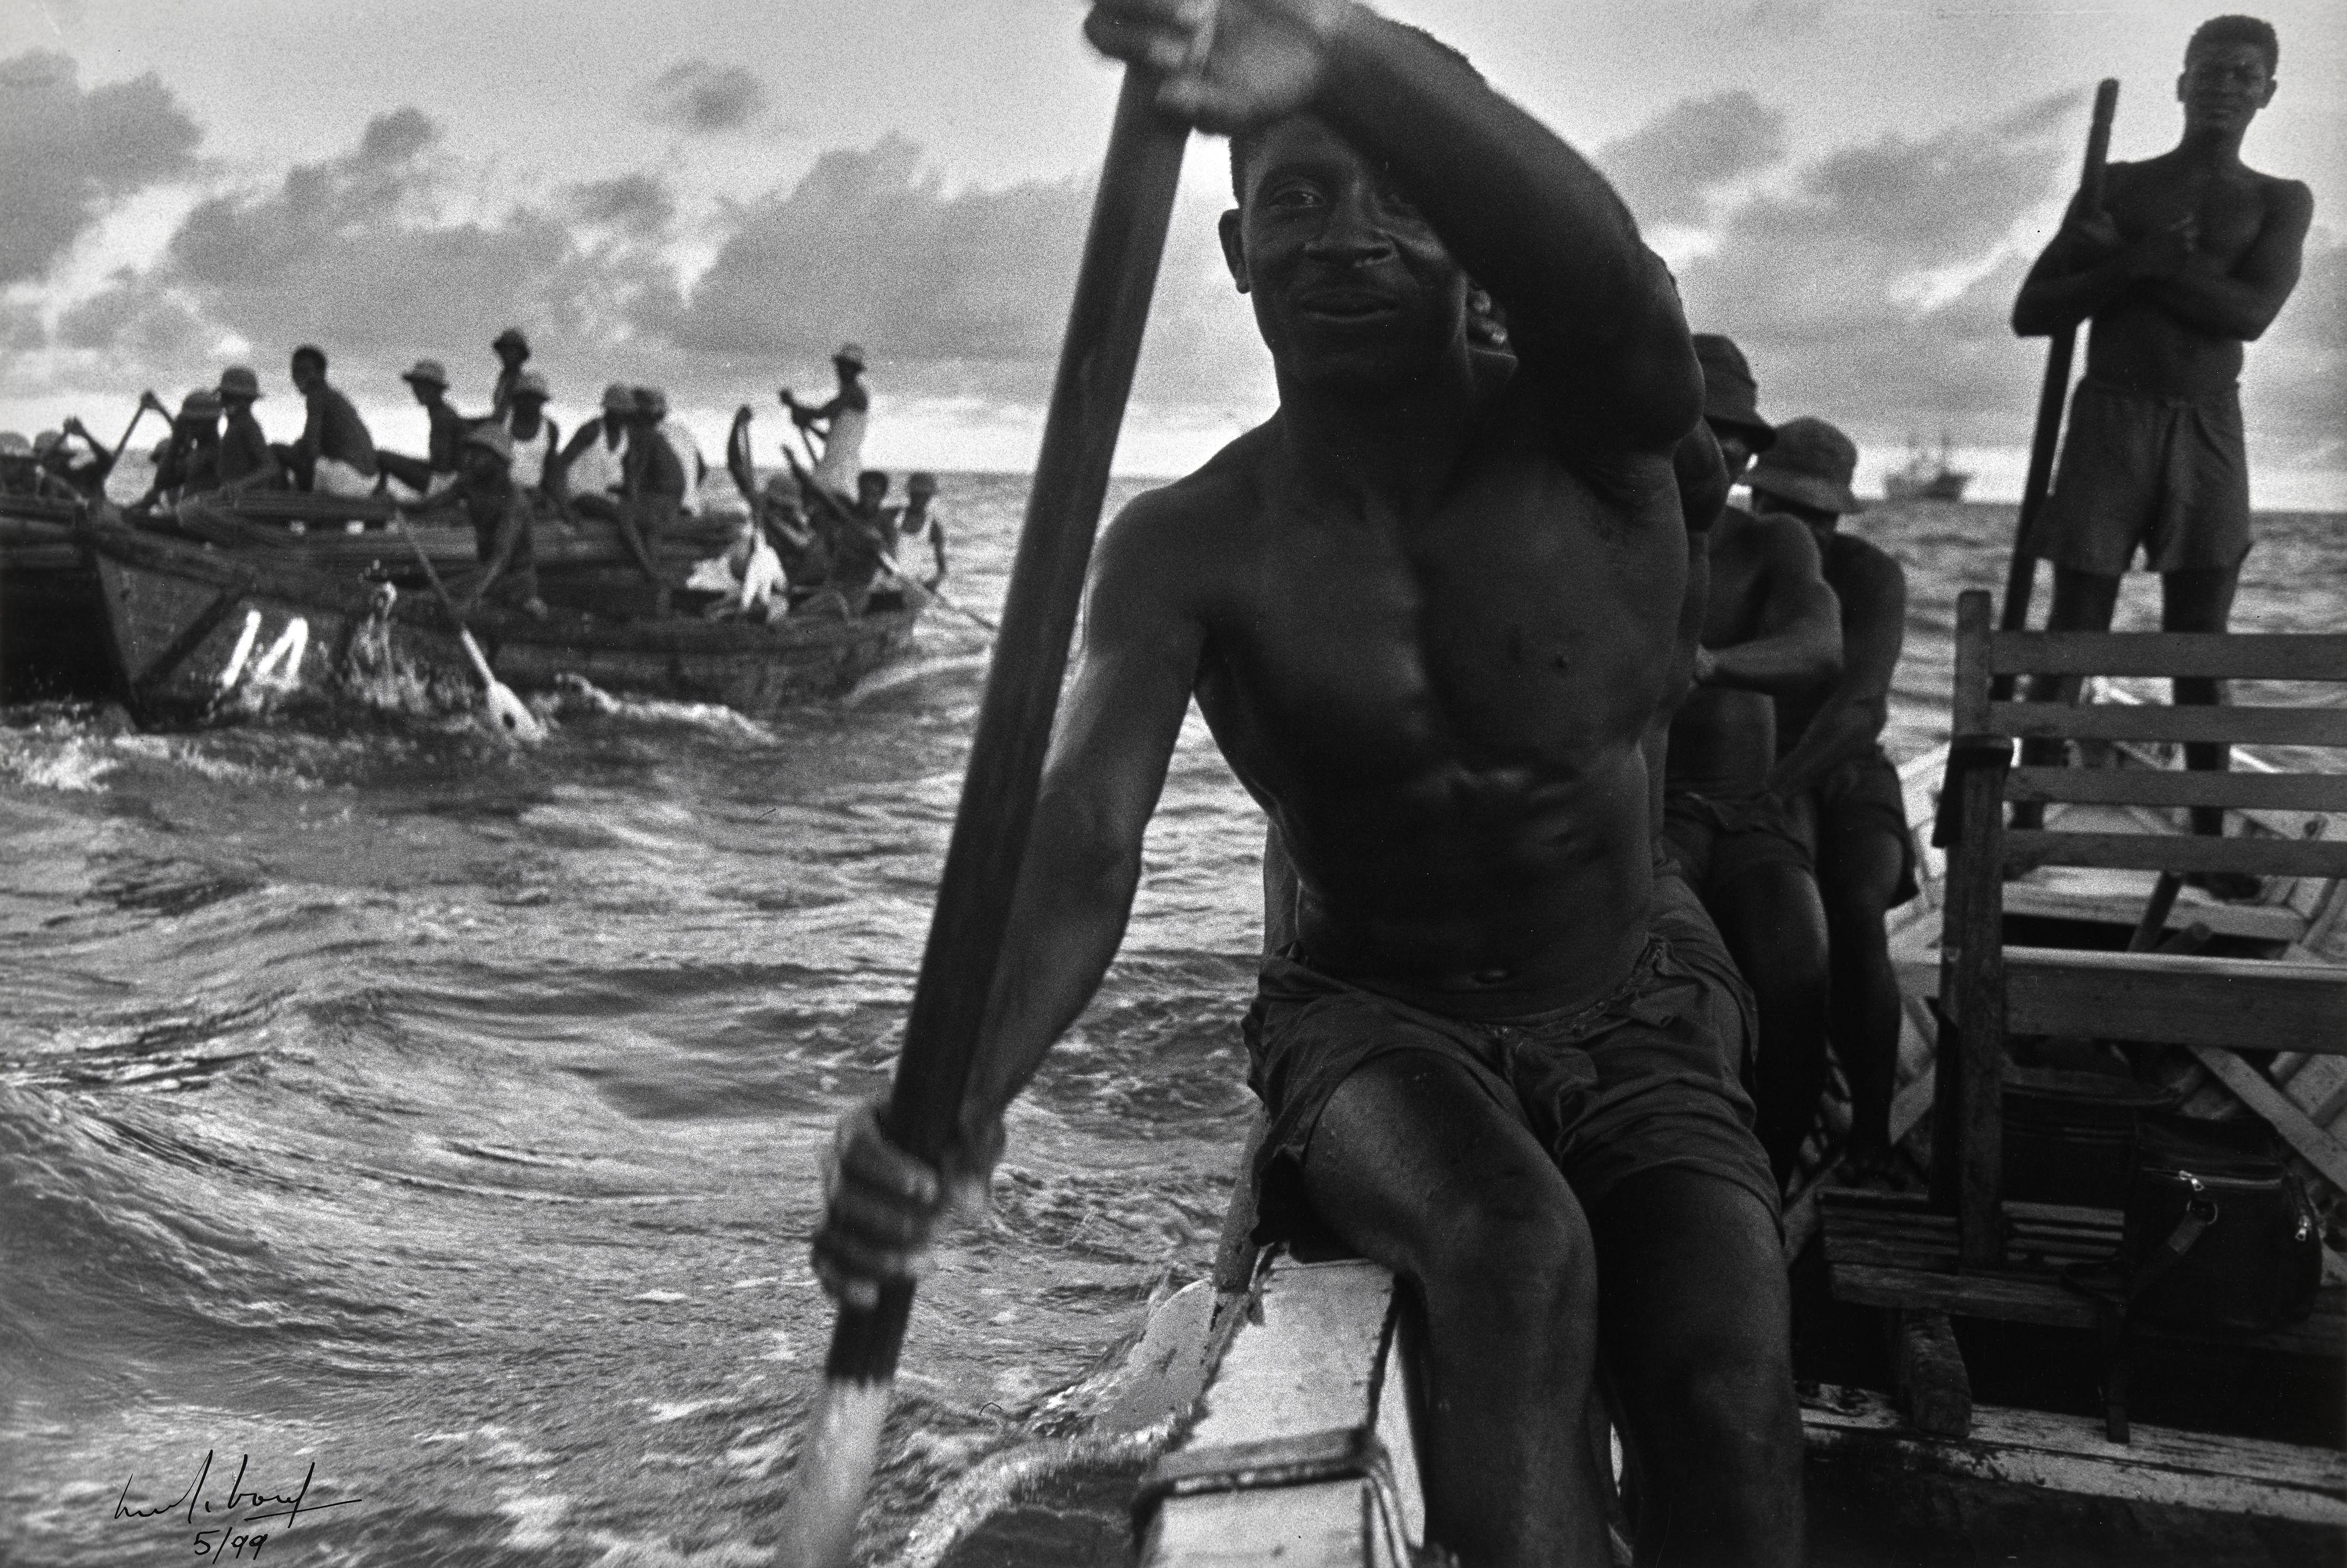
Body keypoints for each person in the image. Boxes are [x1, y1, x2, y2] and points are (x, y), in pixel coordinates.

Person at [812, 6, 1806, 1565]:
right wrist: (950, 1106)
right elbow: (1080, 838)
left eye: (1398, 200)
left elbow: (1597, 275)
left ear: (1468, 240)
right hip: (1373, 1022)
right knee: (1511, 1245)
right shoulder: (1185, 545)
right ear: (1231, 249)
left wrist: (1333, 54)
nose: (1346, 237)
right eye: (1295, 200)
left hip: (1632, 992)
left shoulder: (1604, 435)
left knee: (1723, 1382)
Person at [2009, 14, 2312, 898]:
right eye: (2210, 71)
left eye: (2244, 74)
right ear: (2180, 83)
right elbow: (2035, 310)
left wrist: (2145, 271)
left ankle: (2210, 844)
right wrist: (2128, 262)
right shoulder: (2118, 185)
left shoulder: (2280, 198)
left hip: (2209, 422)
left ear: (2267, 92)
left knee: (2200, 643)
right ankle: (2028, 823)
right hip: (2110, 418)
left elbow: (2249, 314)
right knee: (2074, 634)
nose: (2225, 86)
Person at [1661, 342, 1843, 1188]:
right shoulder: (1590, 530)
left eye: (1741, 434)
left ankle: (1770, 1176)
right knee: (1667, 989)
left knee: (1797, 961)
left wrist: (1707, 664)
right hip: (1640, 819)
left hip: (1745, 818)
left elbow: (1817, 647)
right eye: (1708, 426)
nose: (1727, 449)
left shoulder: (1772, 542)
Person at [1753, 418, 1914, 1183]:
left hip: (1840, 767)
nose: (1801, 528)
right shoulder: (1714, 557)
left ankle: (1873, 1135)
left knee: (1854, 906)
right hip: (1744, 773)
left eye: (1818, 514)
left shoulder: (1870, 577)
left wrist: (1773, 791)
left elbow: (1861, 711)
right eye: (1783, 507)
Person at [407, 423, 546, 618]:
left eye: (478, 455)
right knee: (428, 596)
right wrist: (395, 503)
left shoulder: (514, 501)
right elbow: (429, 505)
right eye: (470, 453)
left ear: (498, 461)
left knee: (433, 598)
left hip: (516, 580)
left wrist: (469, 600)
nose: (468, 460)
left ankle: (526, 603)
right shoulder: (469, 484)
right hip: (485, 573)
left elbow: (501, 559)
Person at [274, 345, 378, 497]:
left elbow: (312, 448)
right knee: (299, 451)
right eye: (295, 371)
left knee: (277, 450)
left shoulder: (317, 395)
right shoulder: (333, 396)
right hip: (366, 482)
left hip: (346, 479)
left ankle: (280, 509)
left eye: (305, 371)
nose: (298, 376)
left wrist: (299, 452)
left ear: (321, 373)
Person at [779, 342, 869, 500]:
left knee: (820, 497)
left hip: (842, 464)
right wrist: (808, 426)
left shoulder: (854, 393)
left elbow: (821, 413)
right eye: (840, 367)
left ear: (855, 372)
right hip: (835, 460)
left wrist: (792, 404)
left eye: (846, 367)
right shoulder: (849, 395)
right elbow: (831, 438)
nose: (840, 371)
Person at [375, 359, 472, 498]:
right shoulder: (442, 412)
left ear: (436, 389)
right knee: (384, 458)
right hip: (448, 480)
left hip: (445, 484)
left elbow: (442, 467)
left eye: (423, 386)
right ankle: (381, 491)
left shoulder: (442, 415)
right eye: (416, 386)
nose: (417, 390)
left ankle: (380, 493)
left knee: (382, 457)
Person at [131, 390, 225, 510]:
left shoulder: (217, 455)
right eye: (188, 423)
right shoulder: (197, 455)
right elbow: (162, 483)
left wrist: (177, 439)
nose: (190, 428)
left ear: (212, 423)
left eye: (194, 423)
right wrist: (176, 440)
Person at [554, 383, 634, 519]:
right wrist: (562, 502)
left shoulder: (626, 438)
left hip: (608, 498)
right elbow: (561, 464)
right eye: (619, 412)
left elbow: (627, 473)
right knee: (623, 516)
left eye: (626, 413)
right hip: (580, 494)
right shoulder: (591, 430)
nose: (623, 417)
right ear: (609, 410)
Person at [212, 367, 282, 494]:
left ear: (246, 400)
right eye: (225, 396)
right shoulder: (235, 425)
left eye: (228, 397)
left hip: (245, 502)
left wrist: (239, 486)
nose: (222, 401)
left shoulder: (247, 425)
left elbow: (271, 467)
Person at [501, 370, 560, 498]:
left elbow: (550, 470)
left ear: (542, 401)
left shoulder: (550, 429)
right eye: (525, 398)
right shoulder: (501, 423)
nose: (529, 403)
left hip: (533, 495)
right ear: (515, 400)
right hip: (501, 493)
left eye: (535, 399)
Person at [897, 470, 950, 589]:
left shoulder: (933, 526)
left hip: (911, 585)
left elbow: (942, 569)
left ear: (930, 497)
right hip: (886, 580)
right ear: (910, 494)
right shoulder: (894, 515)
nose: (919, 499)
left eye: (924, 496)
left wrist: (934, 582)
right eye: (916, 494)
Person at [489, 327, 531, 420]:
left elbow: (505, 416)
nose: (505, 354)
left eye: (511, 350)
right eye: (504, 350)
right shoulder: (504, 378)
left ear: (520, 355)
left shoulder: (521, 382)